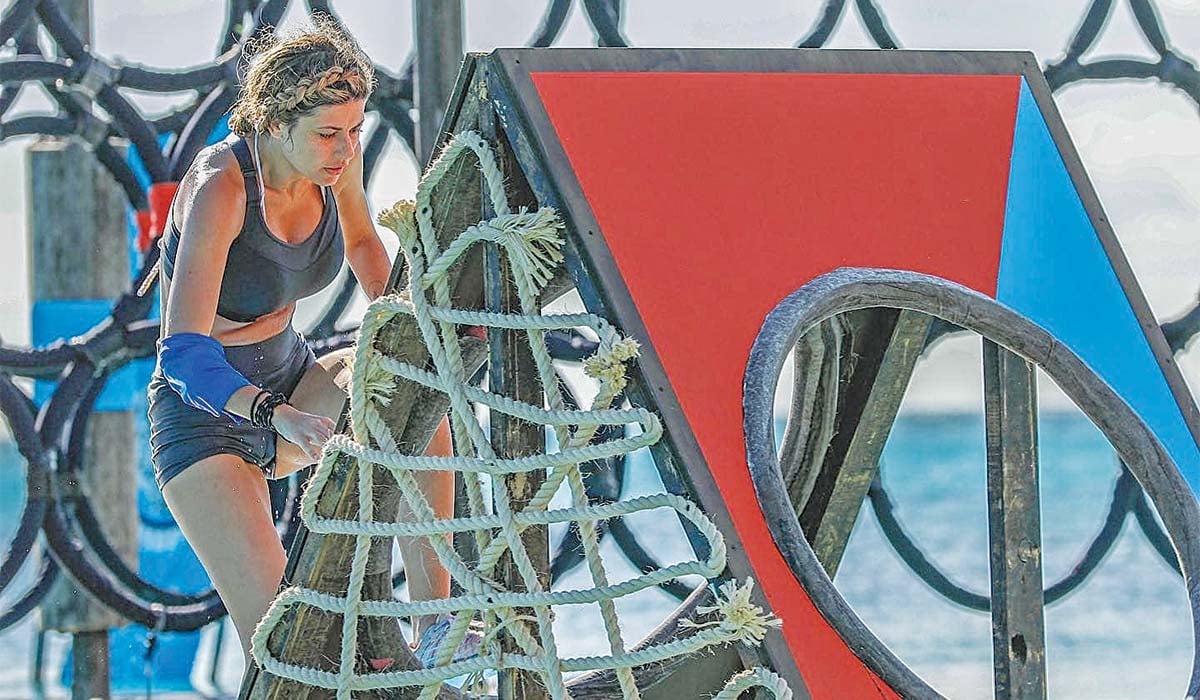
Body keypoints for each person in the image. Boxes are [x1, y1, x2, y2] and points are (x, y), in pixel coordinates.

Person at [147, 17, 452, 665]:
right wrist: (275, 414)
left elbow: (364, 243)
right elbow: (183, 355)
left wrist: (408, 328)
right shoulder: (221, 186)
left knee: (412, 384)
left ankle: (438, 628)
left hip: (293, 379)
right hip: (206, 420)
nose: (346, 149)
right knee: (287, 652)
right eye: (328, 133)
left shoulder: (334, 161)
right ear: (275, 123)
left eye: (356, 130)